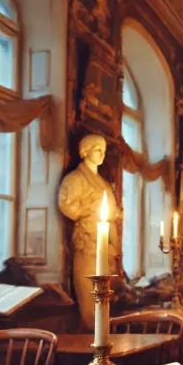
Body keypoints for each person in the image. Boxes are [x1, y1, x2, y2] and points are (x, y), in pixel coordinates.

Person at [57, 134, 120, 329]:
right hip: (87, 245)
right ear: (84, 151)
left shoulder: (102, 183)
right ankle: (92, 349)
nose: (102, 154)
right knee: (90, 304)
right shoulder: (75, 179)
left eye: (103, 150)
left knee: (104, 305)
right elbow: (67, 205)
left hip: (106, 248)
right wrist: (89, 207)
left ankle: (103, 348)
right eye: (97, 149)